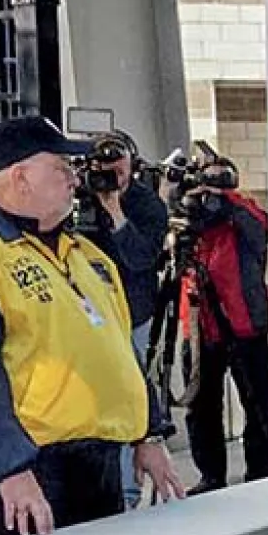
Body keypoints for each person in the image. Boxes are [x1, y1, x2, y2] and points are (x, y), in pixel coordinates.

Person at [0, 116, 186, 535]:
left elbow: (119, 349)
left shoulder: (86, 254)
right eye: (61, 167)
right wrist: (7, 467)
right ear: (19, 177)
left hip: (95, 467)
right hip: (28, 474)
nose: (76, 177)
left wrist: (148, 431)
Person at [81, 132, 170, 510]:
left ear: (132, 165)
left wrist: (115, 210)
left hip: (131, 313)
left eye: (118, 165)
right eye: (103, 166)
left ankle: (129, 494)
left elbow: (140, 258)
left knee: (128, 395)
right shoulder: (78, 198)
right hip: (87, 315)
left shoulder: (146, 204)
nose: (110, 173)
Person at [182, 158, 268, 493]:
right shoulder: (191, 220)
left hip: (244, 324)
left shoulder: (244, 214)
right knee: (202, 404)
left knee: (258, 402)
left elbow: (262, 232)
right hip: (201, 325)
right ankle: (211, 474)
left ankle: (261, 469)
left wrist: (229, 200)